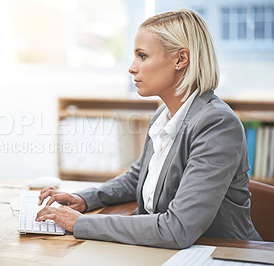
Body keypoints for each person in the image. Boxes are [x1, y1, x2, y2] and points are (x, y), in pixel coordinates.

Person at [36, 9, 262, 249]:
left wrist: (82, 224)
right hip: (172, 250)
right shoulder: (163, 115)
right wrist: (83, 198)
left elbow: (177, 229)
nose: (132, 68)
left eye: (142, 56)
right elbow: (138, 178)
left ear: (181, 59)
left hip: (217, 253)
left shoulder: (217, 124)